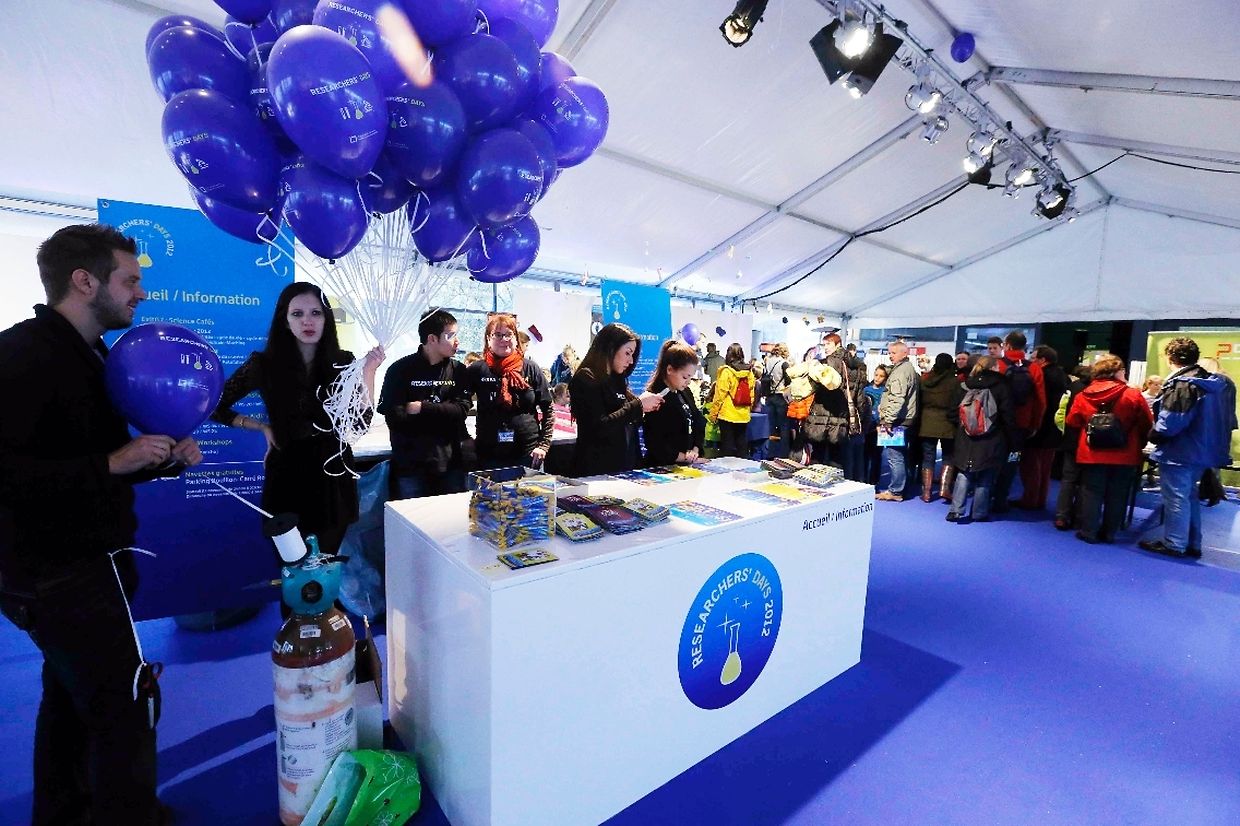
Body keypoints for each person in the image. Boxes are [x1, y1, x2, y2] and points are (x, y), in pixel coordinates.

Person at [0, 224, 203, 825]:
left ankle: (63, 812)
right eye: (130, 280)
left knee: (69, 700)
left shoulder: (94, 356)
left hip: (91, 563)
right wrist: (111, 463)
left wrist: (160, 460)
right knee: (123, 710)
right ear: (84, 281)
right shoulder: (22, 353)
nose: (141, 293)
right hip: (57, 573)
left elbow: (100, 466)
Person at [214, 283, 384, 555]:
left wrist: (369, 372)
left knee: (325, 568)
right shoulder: (263, 364)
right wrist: (262, 427)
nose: (307, 321)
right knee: (294, 570)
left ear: (327, 319)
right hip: (287, 477)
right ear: (285, 320)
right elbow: (214, 405)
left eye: (316, 313)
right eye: (297, 314)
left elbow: (359, 423)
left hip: (332, 477)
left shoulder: (343, 362)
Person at [1139, 338, 1238, 558]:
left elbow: (1171, 423)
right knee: (1189, 496)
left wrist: (1153, 435)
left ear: (1170, 358)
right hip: (1202, 451)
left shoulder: (1183, 385)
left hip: (1179, 452)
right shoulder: (1214, 383)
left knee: (1176, 498)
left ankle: (1175, 544)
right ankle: (1192, 543)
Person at [377, 310, 469, 499]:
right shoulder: (399, 370)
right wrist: (444, 413)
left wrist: (421, 408)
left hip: (450, 465)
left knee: (451, 516)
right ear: (432, 339)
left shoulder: (458, 370)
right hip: (411, 466)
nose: (457, 341)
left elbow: (461, 411)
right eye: (450, 335)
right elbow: (395, 418)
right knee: (411, 516)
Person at [1065, 355, 1153, 544]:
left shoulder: (1083, 395)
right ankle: (1109, 533)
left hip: (1092, 453)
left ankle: (1089, 532)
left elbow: (1072, 421)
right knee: (1118, 494)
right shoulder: (1133, 394)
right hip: (1125, 453)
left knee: (1091, 492)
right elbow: (1147, 422)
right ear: (1117, 372)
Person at [569, 322, 663, 475]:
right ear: (611, 348)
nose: (631, 361)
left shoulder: (618, 380)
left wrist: (645, 408)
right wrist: (638, 405)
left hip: (624, 470)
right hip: (596, 471)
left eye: (632, 355)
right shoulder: (586, 378)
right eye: (627, 353)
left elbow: (625, 421)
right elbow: (599, 426)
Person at [466, 313, 553, 471]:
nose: (504, 339)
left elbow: (548, 407)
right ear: (488, 339)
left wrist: (543, 445)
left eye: (509, 334)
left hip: (528, 454)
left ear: (516, 339)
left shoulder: (530, 368)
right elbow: (459, 405)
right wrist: (464, 437)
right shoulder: (477, 370)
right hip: (488, 455)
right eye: (498, 335)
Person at [947, 356, 1015, 523]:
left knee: (964, 471)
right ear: (994, 368)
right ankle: (979, 512)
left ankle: (956, 510)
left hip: (965, 436)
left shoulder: (964, 384)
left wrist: (965, 426)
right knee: (986, 473)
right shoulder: (1002, 386)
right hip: (992, 436)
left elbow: (951, 412)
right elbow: (1007, 415)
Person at [992, 331, 1047, 513]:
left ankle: (984, 498)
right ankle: (1001, 500)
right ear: (1024, 346)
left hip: (998, 423)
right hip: (1021, 425)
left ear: (1007, 345)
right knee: (1011, 461)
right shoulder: (1034, 368)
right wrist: (1035, 424)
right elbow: (1041, 401)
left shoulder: (998, 365)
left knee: (991, 460)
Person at [804, 333, 868, 481]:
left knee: (818, 456)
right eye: (824, 344)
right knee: (837, 457)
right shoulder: (857, 366)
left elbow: (811, 389)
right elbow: (859, 397)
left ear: (838, 344)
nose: (825, 347)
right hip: (842, 417)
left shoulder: (824, 364)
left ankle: (814, 486)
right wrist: (860, 417)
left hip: (822, 414)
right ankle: (837, 488)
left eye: (828, 344)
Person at [1014, 344, 1068, 511]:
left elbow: (1037, 402)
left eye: (1033, 357)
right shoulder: (1062, 376)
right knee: (1045, 468)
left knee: (1031, 465)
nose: (1030, 360)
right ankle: (1039, 499)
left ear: (1042, 360)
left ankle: (1030, 499)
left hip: (1039, 426)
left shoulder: (1041, 375)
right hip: (1055, 428)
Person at [642, 341, 706, 467]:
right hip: (662, 466)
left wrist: (695, 449)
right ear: (670, 369)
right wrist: (685, 457)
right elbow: (656, 443)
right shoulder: (655, 397)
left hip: (686, 464)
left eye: (691, 377)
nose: (688, 382)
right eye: (685, 377)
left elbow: (698, 421)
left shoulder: (685, 391)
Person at [876, 340, 920, 501]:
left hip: (897, 420)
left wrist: (888, 420)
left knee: (894, 456)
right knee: (900, 455)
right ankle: (901, 488)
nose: (890, 356)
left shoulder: (900, 372)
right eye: (890, 353)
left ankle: (895, 491)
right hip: (904, 418)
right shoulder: (908, 369)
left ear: (904, 353)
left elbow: (897, 398)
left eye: (893, 353)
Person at [918, 353, 963, 502]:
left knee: (928, 457)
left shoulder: (925, 380)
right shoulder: (955, 382)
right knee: (948, 456)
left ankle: (926, 493)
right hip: (948, 422)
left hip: (927, 422)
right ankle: (944, 489)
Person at [1053, 365, 1093, 530]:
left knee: (1068, 479)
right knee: (1086, 481)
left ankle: (1061, 516)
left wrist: (1063, 431)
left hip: (1071, 438)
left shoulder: (1072, 388)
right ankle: (1079, 517)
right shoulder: (1096, 390)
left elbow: (1061, 413)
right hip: (1092, 442)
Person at [709, 343, 757, 459]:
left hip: (727, 414)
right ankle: (744, 467)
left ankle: (726, 469)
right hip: (743, 414)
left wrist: (713, 414)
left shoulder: (726, 371)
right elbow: (751, 393)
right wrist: (748, 409)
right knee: (742, 443)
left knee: (727, 445)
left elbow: (719, 395)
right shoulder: (749, 371)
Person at [763, 343, 791, 457]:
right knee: (784, 426)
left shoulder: (767, 361)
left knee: (771, 426)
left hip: (769, 396)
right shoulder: (784, 363)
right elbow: (788, 381)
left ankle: (770, 452)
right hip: (781, 396)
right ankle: (783, 454)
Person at [863, 365, 888, 485]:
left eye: (881, 376)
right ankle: (863, 479)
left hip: (879, 427)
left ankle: (874, 481)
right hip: (866, 426)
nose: (878, 378)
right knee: (864, 454)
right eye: (876, 375)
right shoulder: (866, 389)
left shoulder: (885, 392)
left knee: (877, 455)